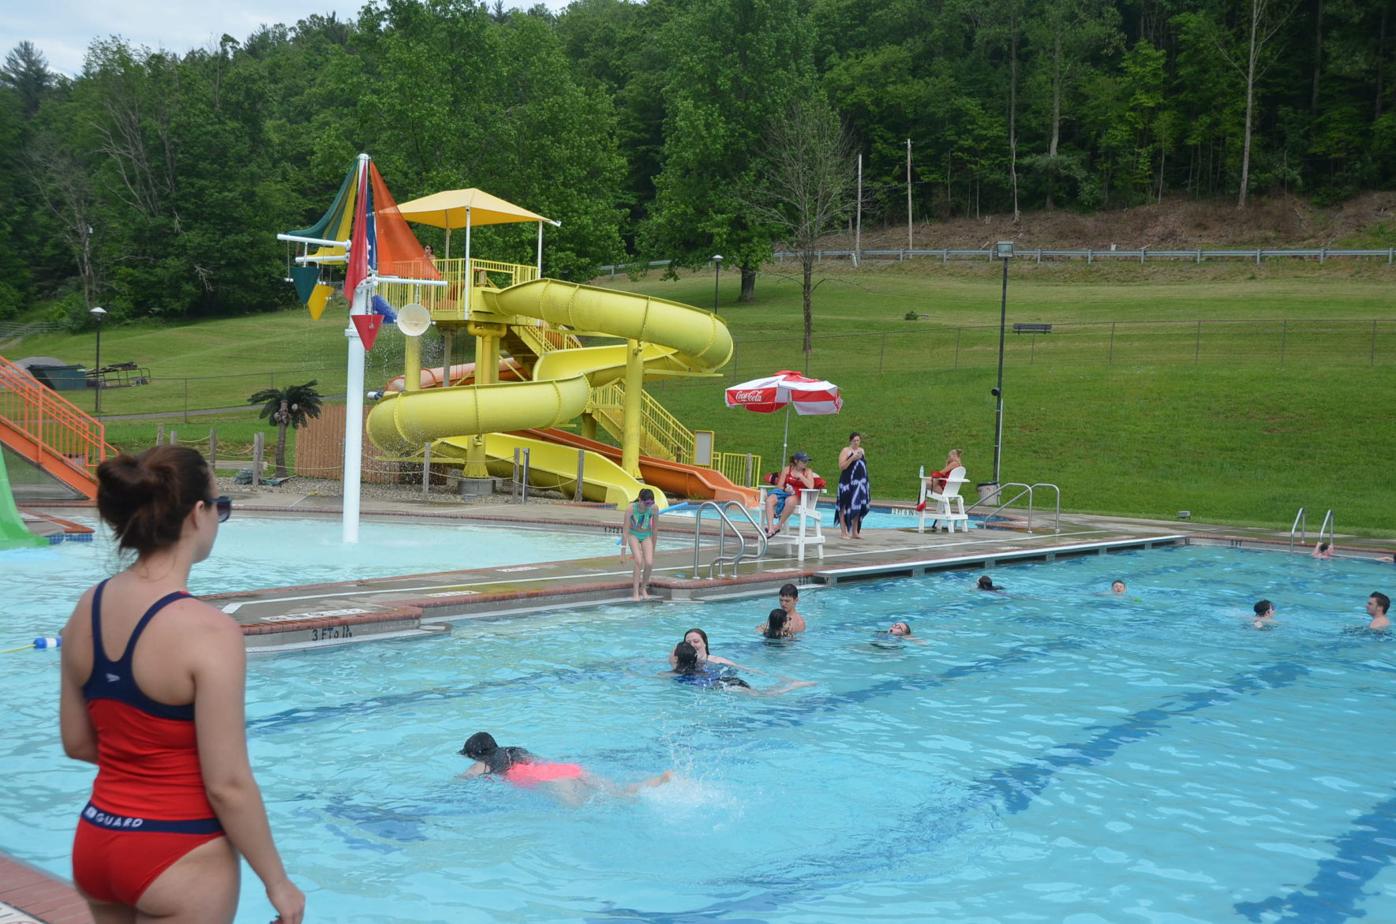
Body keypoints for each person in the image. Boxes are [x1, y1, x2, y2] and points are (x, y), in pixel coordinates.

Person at [59, 447, 303, 924]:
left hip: (97, 840)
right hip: (179, 848)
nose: (218, 515)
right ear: (197, 514)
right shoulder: (208, 632)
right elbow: (227, 784)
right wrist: (278, 882)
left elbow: (78, 742)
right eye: (221, 505)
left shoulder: (87, 608)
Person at [459, 732, 672, 805]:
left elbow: (464, 778)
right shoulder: (514, 751)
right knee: (618, 793)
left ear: (476, 754)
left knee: (588, 814)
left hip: (557, 784)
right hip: (568, 771)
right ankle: (658, 782)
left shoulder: (485, 764)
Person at [670, 642, 813, 695]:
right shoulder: (695, 667)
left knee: (762, 695)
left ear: (676, 658)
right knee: (760, 693)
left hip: (726, 685)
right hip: (726, 681)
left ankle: (791, 686)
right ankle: (789, 685)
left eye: (671, 651)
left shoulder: (675, 674)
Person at [764, 452, 819, 537]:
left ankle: (778, 525)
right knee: (769, 500)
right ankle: (771, 528)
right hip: (785, 493)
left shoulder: (808, 471)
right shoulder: (787, 469)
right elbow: (779, 485)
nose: (806, 463)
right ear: (796, 461)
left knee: (789, 501)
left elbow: (811, 486)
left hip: (798, 495)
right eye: (803, 461)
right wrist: (786, 489)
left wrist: (801, 476)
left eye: (807, 461)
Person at [620, 488, 658, 601]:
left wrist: (653, 549)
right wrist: (622, 554)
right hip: (633, 535)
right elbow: (625, 532)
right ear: (640, 500)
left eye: (651, 503)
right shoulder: (631, 509)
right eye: (647, 503)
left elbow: (655, 530)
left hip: (646, 535)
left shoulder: (654, 509)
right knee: (638, 560)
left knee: (649, 563)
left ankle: (643, 588)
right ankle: (635, 592)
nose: (649, 506)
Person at [836, 432, 871, 540]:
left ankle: (855, 532)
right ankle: (843, 532)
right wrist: (852, 458)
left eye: (858, 440)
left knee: (858, 506)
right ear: (850, 440)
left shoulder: (862, 450)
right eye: (854, 440)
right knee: (844, 505)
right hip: (847, 483)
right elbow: (841, 467)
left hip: (860, 483)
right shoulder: (845, 450)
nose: (856, 443)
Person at [667, 627, 740, 670]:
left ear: (704, 643)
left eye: (696, 641)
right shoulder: (677, 661)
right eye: (688, 643)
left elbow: (742, 670)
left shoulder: (718, 661)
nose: (692, 645)